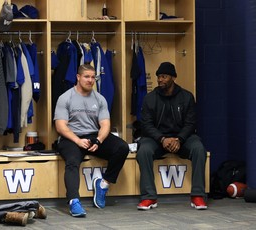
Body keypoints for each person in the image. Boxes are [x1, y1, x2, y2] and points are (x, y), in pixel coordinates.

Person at [54, 64, 129, 217]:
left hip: (93, 136)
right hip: (71, 137)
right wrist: (77, 141)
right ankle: (74, 201)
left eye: (93, 77)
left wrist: (99, 140)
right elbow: (60, 126)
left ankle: (103, 184)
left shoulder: (100, 99)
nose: (90, 80)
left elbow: (105, 124)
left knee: (122, 147)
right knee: (72, 161)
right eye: (86, 77)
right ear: (78, 77)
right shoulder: (65, 97)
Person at [136, 62, 207, 210]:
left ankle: (197, 195)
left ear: (173, 77)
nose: (160, 80)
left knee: (199, 148)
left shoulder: (186, 97)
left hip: (182, 139)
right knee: (143, 151)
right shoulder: (150, 98)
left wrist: (179, 139)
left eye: (164, 76)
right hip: (157, 139)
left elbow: (190, 123)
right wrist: (162, 139)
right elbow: (146, 125)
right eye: (158, 77)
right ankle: (149, 197)